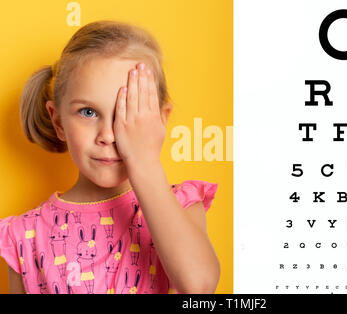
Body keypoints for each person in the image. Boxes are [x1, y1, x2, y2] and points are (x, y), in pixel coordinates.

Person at [0, 20, 220, 294]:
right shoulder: (24, 237)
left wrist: (145, 161)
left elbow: (199, 287)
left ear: (159, 122)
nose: (108, 134)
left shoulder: (179, 205)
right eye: (88, 112)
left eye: (127, 113)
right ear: (58, 122)